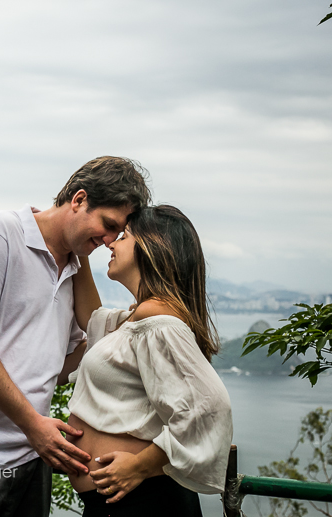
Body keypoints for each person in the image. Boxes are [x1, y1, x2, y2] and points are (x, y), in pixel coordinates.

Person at [0, 156, 151, 516]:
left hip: (32, 456)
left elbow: (84, 346)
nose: (107, 241)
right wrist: (33, 424)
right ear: (79, 199)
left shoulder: (74, 268)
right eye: (107, 225)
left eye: (116, 234)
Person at [64, 205, 233, 517]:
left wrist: (139, 466)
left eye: (124, 236)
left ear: (152, 247)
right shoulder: (139, 316)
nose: (111, 243)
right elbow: (92, 318)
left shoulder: (158, 317)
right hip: (121, 501)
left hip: (144, 500)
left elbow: (210, 407)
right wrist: (80, 246)